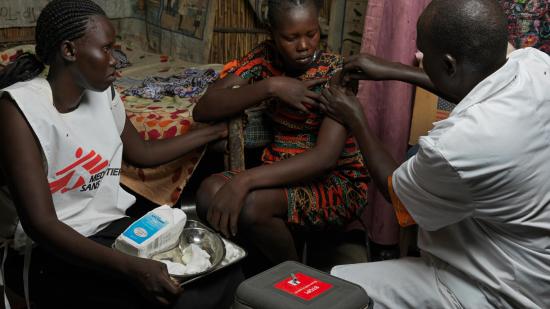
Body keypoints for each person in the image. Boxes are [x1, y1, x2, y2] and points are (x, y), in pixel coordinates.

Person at [0, 1, 242, 308]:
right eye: (107, 49)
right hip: (50, 251)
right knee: (180, 300)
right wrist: (131, 267)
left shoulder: (104, 95)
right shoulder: (19, 111)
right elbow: (41, 225)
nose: (117, 60)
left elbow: (144, 153)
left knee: (225, 276)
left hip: (110, 229)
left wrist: (209, 133)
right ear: (69, 51)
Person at [320, 0, 550, 308]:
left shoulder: (458, 146)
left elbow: (395, 192)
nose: (420, 58)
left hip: (498, 287)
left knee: (332, 290)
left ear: (449, 65)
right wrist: (397, 71)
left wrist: (356, 118)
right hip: (532, 259)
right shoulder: (534, 64)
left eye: (423, 54)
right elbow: (476, 86)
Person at [193, 0, 369, 266]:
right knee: (209, 192)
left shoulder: (335, 73)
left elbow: (325, 158)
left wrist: (245, 180)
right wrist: (271, 86)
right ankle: (251, 269)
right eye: (291, 37)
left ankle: (294, 277)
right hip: (277, 172)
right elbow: (204, 108)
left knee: (251, 204)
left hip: (334, 184)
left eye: (311, 34)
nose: (304, 46)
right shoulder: (264, 57)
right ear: (272, 35)